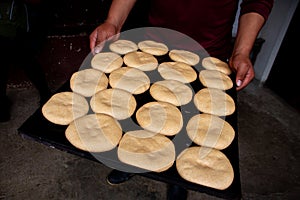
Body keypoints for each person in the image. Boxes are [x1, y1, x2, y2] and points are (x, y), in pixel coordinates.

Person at [89, 0, 274, 199]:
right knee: (144, 113)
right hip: (153, 47)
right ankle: (134, 159)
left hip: (206, 56)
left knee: (191, 126)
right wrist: (113, 22)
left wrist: (241, 51)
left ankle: (178, 180)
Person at [0, 0, 52, 122]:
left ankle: (46, 94)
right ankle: (1, 104)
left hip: (22, 22)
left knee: (24, 57)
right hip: (5, 23)